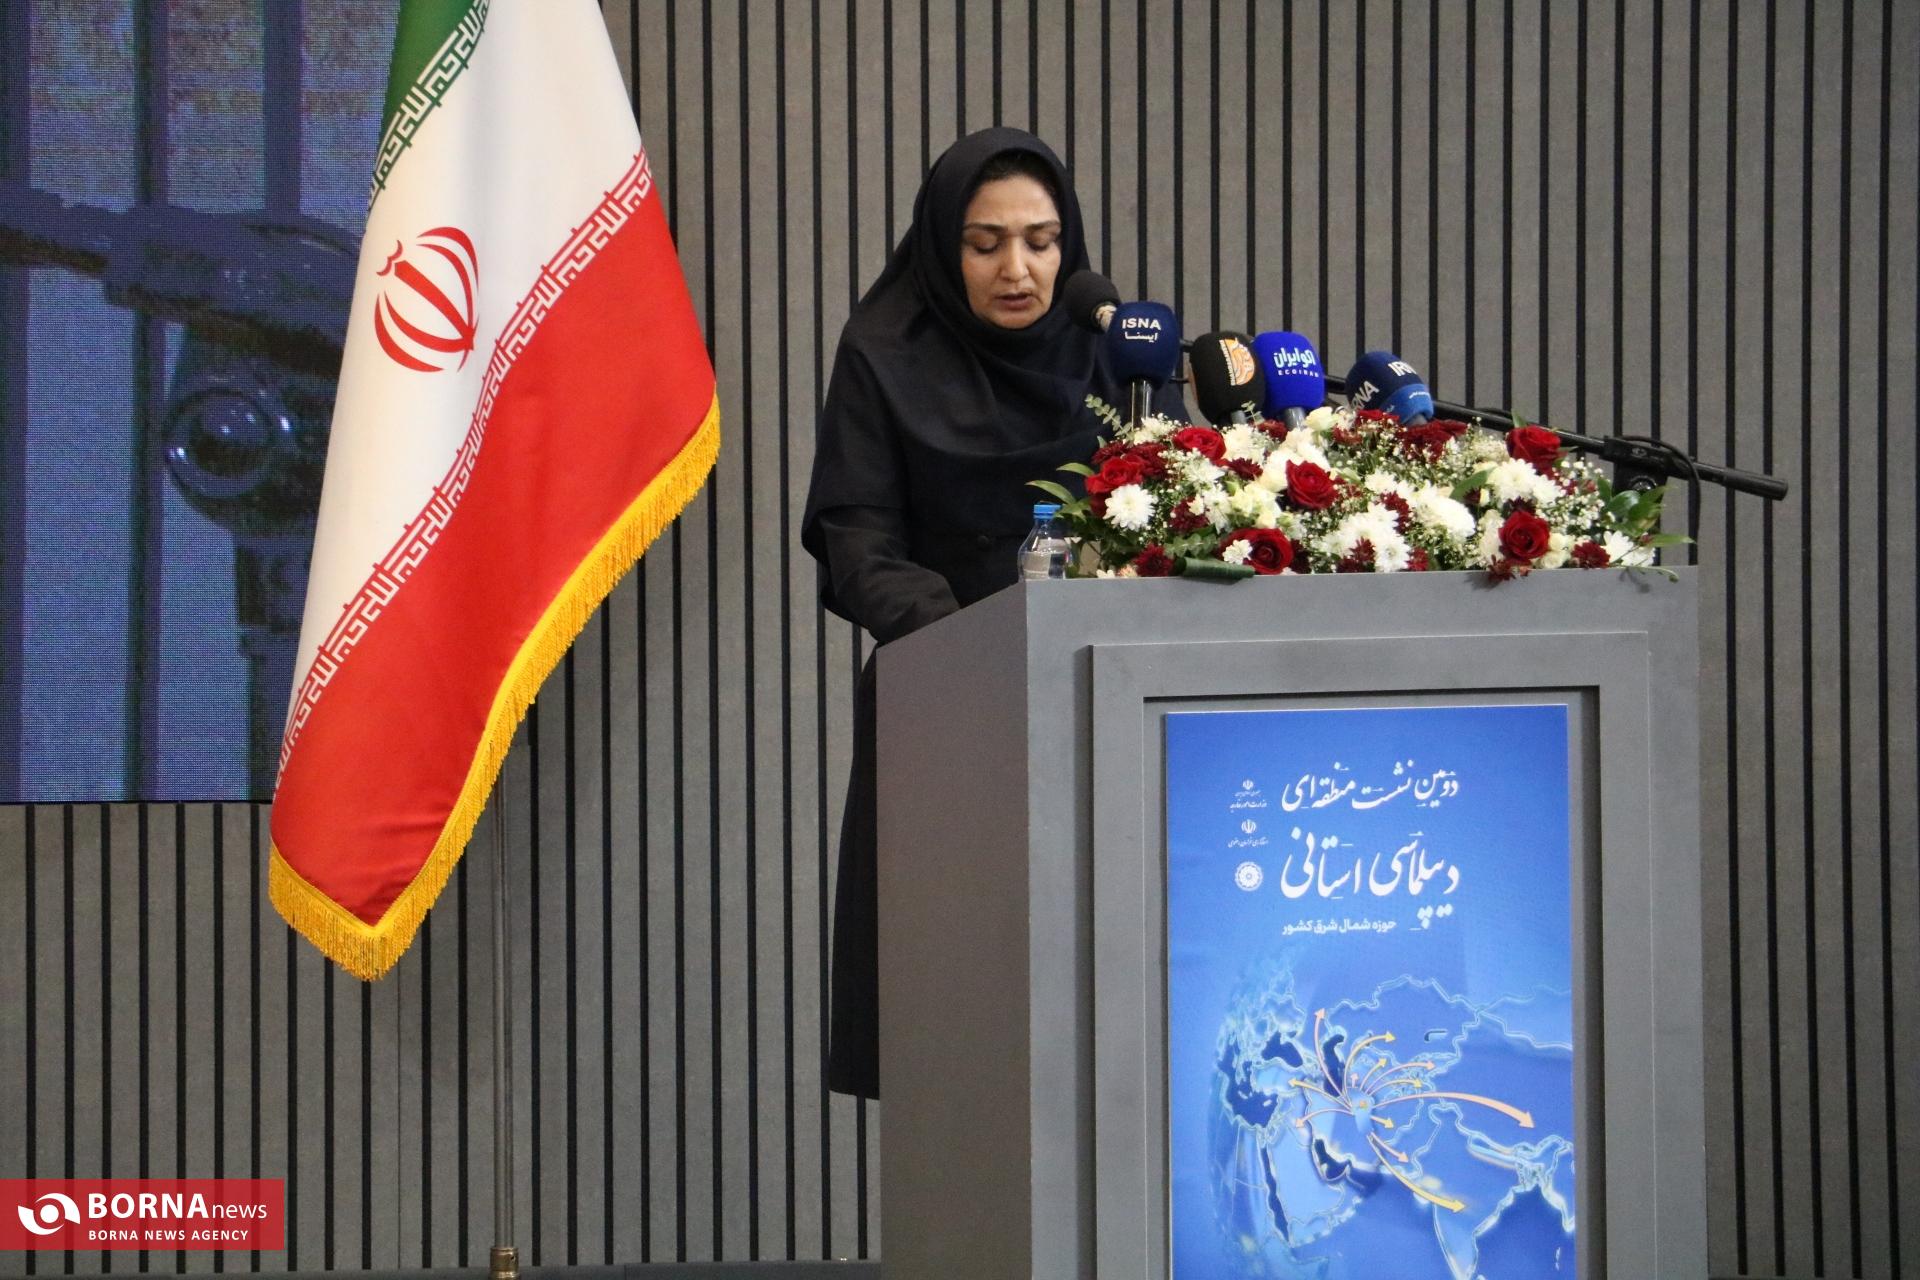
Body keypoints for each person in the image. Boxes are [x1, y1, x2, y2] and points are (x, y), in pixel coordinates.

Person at [801, 127, 1184, 1099]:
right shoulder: (884, 354)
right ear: (945, 246)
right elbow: (856, 539)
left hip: (1108, 703)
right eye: (986, 243)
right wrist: (980, 641)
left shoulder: (1116, 356)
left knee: (1111, 1008)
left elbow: (1179, 503)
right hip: (949, 700)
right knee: (955, 1009)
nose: (1019, 268)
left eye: (1042, 241)